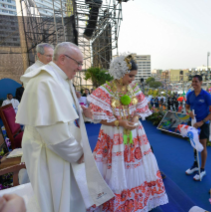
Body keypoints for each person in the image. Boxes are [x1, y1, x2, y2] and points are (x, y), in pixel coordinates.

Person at [16, 42, 114, 212]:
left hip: (62, 149)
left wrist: (81, 111)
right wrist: (77, 153)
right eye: (78, 63)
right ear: (63, 58)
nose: (80, 68)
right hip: (49, 153)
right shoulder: (44, 81)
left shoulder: (60, 78)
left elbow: (65, 109)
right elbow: (52, 132)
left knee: (69, 196)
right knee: (56, 199)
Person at [87, 54, 168, 211]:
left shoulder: (134, 88)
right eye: (130, 75)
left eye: (134, 76)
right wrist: (120, 122)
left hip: (134, 132)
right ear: (119, 71)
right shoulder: (104, 91)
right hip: (113, 134)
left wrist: (135, 118)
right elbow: (99, 117)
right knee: (114, 167)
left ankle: (135, 202)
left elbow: (140, 108)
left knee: (135, 164)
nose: (132, 79)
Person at [185, 75, 211, 181]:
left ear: (201, 82)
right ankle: (195, 164)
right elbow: (187, 106)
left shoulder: (206, 95)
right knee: (194, 144)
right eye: (193, 81)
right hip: (193, 124)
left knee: (202, 146)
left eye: (196, 81)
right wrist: (189, 113)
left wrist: (203, 121)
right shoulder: (190, 94)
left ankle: (202, 169)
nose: (194, 83)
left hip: (203, 124)